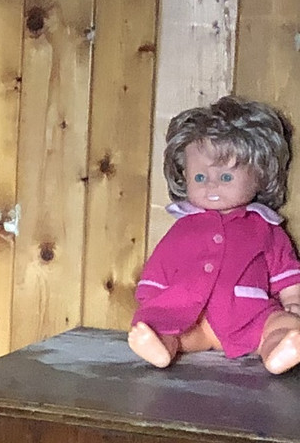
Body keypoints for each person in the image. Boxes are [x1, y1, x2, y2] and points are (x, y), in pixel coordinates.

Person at [129, 95, 300, 372]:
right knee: (167, 328)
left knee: (281, 324)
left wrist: (293, 302)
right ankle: (161, 347)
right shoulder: (184, 227)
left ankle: (278, 350)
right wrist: (152, 301)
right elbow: (161, 266)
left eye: (226, 177)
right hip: (190, 316)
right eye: (199, 177)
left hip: (249, 313)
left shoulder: (264, 227)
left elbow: (287, 272)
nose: (211, 186)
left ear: (260, 175)